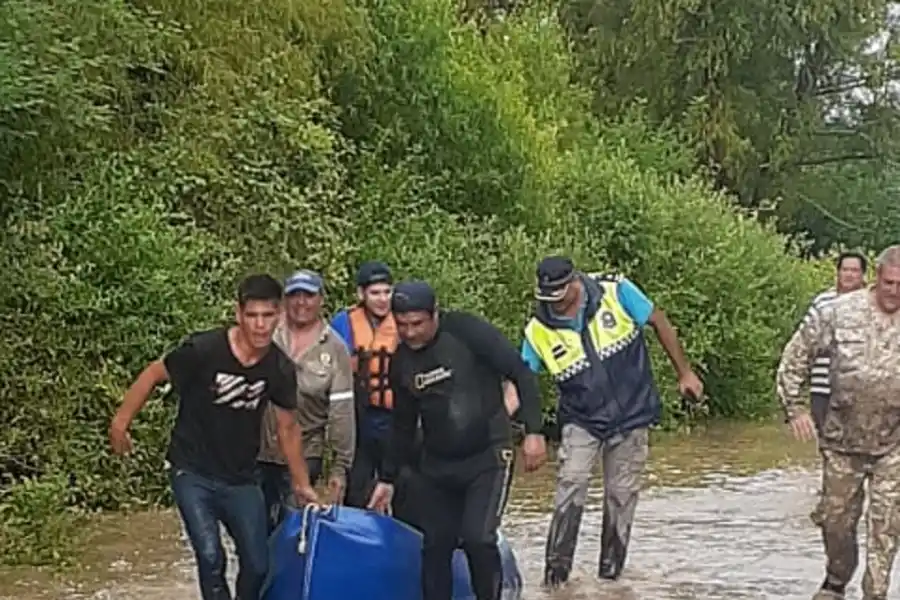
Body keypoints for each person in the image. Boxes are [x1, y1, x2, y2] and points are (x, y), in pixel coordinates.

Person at [108, 274, 319, 600]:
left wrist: (302, 483)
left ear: (279, 315)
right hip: (193, 470)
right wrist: (120, 423)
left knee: (258, 564)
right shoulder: (204, 350)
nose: (260, 325)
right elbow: (153, 373)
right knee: (210, 557)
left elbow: (288, 428)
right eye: (252, 315)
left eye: (267, 316)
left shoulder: (279, 367)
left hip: (241, 476)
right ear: (238, 314)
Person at [519, 255, 704, 587]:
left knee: (621, 496)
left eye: (558, 297)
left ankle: (610, 580)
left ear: (574, 282)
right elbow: (520, 382)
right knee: (571, 485)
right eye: (546, 298)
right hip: (581, 418)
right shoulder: (537, 330)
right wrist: (511, 425)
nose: (553, 305)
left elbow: (658, 320)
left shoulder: (616, 291)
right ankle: (555, 580)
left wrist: (685, 373)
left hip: (632, 413)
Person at [367, 280, 547, 600]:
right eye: (402, 325)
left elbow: (520, 373)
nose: (410, 333)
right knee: (436, 544)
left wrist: (534, 431)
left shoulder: (467, 331)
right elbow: (403, 425)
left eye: (417, 324)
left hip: (488, 454)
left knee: (478, 538)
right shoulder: (402, 362)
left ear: (434, 314)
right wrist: (387, 478)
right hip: (438, 464)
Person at [776, 244, 900, 600]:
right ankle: (837, 577)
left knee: (886, 525)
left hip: (894, 442)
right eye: (889, 283)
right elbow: (796, 357)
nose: (895, 292)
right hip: (842, 439)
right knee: (836, 521)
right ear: (876, 277)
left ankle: (876, 591)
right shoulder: (839, 311)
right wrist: (795, 408)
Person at [257, 269, 355, 533]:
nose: (301, 303)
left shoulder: (335, 348)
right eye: (294, 295)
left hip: (305, 452)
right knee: (253, 530)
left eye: (309, 295)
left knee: (290, 527)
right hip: (256, 450)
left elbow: (342, 412)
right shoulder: (265, 335)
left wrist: (339, 468)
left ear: (321, 299)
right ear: (284, 300)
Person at [329, 261, 407, 512]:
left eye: (387, 292)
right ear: (361, 294)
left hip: (396, 417)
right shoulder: (344, 322)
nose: (383, 299)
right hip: (359, 417)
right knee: (357, 487)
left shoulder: (405, 320)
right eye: (375, 293)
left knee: (403, 485)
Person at [799, 251, 867, 528]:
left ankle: (851, 499)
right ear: (837, 272)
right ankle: (830, 501)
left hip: (858, 390)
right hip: (822, 387)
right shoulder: (822, 303)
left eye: (855, 270)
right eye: (845, 269)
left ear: (863, 275)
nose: (849, 275)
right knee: (828, 446)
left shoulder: (870, 305)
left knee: (858, 445)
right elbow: (804, 343)